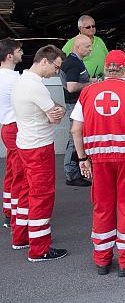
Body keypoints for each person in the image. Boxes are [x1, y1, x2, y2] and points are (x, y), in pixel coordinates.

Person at [70, 50, 125, 277]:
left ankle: (102, 259)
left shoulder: (88, 92)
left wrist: (82, 159)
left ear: (106, 67)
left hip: (99, 159)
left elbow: (75, 129)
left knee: (102, 206)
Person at [11, 45, 67, 262]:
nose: (56, 72)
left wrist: (56, 109)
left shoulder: (21, 82)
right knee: (42, 196)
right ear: (44, 61)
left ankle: (21, 237)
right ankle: (39, 248)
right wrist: (58, 110)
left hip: (25, 143)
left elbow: (53, 109)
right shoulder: (37, 87)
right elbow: (55, 115)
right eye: (56, 66)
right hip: (39, 146)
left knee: (25, 192)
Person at [59, 34, 95, 187]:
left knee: (76, 137)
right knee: (75, 139)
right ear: (77, 46)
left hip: (76, 104)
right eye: (87, 46)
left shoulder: (74, 61)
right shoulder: (74, 63)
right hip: (75, 105)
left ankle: (75, 171)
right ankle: (72, 174)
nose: (90, 49)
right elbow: (72, 86)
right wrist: (91, 84)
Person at [0, 38, 22, 230]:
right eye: (19, 51)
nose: (22, 53)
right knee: (19, 174)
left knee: (11, 172)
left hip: (6, 127)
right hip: (16, 127)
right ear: (9, 55)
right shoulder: (15, 79)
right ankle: (16, 213)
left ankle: (9, 211)